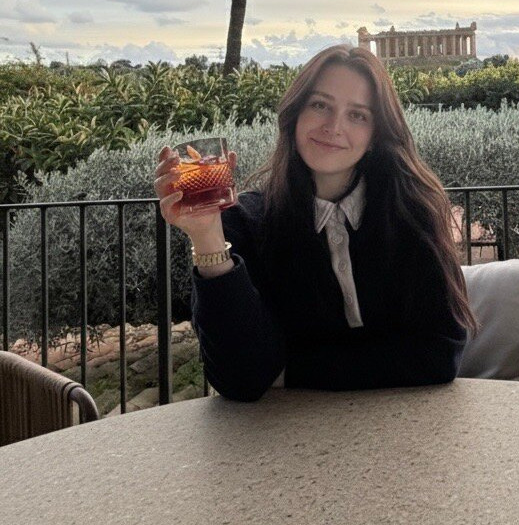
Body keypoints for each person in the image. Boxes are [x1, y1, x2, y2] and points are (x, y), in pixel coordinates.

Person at [154, 45, 475, 401]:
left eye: (358, 115)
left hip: (407, 427)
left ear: (375, 136)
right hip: (286, 434)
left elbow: (439, 355)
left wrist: (289, 370)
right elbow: (242, 380)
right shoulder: (244, 223)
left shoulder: (411, 211)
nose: (333, 127)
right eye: (320, 105)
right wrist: (207, 237)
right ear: (295, 114)